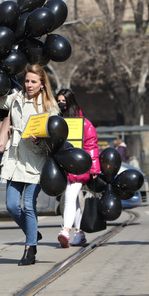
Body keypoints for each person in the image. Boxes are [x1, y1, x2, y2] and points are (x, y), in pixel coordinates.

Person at [0, 64, 56, 266]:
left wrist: (40, 141)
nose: (29, 85)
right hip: (15, 159)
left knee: (29, 205)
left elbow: (57, 137)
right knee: (11, 205)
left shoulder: (49, 105)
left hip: (36, 161)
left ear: (42, 84)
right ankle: (33, 233)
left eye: (33, 81)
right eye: (27, 81)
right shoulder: (15, 98)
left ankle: (30, 249)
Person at [55, 88, 100, 248]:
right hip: (64, 167)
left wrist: (94, 168)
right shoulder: (57, 120)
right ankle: (79, 233)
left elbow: (91, 146)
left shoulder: (84, 124)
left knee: (70, 196)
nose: (61, 104)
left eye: (63, 101)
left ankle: (65, 230)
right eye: (58, 101)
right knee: (75, 201)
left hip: (79, 166)